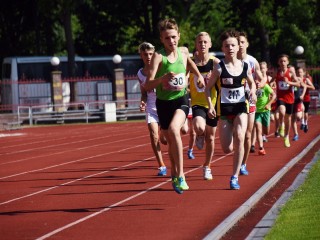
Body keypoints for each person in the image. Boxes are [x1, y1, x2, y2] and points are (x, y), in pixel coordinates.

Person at [145, 18, 205, 194]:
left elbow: (191, 65)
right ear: (161, 40)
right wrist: (161, 80)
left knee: (173, 130)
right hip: (163, 104)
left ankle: (181, 175)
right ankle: (175, 172)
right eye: (166, 38)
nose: (171, 41)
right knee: (170, 141)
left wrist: (199, 77)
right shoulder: (159, 57)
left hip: (181, 99)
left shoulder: (183, 54)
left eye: (173, 37)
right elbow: (147, 85)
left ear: (178, 36)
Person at [205, 29, 257, 190]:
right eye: (227, 46)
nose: (231, 48)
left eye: (233, 45)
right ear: (223, 48)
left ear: (237, 47)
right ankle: (235, 146)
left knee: (241, 137)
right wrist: (210, 105)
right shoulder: (219, 68)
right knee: (227, 148)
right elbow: (208, 88)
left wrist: (253, 92)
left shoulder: (245, 65)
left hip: (241, 107)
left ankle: (234, 177)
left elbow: (252, 82)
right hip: (224, 111)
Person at [189, 32, 220, 180]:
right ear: (196, 45)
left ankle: (207, 166)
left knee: (211, 138)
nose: (202, 45)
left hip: (213, 104)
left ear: (210, 44)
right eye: (200, 42)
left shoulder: (215, 63)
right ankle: (199, 134)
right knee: (200, 127)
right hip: (197, 103)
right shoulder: (190, 62)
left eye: (205, 42)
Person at [137, 42, 167, 176]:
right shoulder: (140, 73)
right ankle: (161, 165)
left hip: (165, 103)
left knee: (165, 138)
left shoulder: (161, 68)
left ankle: (164, 133)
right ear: (141, 56)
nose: (148, 57)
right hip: (151, 106)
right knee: (154, 135)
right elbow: (144, 92)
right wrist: (142, 102)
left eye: (150, 54)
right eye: (145, 54)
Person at [237, 31, 264, 175]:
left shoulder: (252, 61)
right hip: (233, 100)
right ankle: (237, 156)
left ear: (247, 44)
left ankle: (243, 164)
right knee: (238, 134)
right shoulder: (230, 60)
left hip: (249, 98)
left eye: (242, 42)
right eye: (238, 42)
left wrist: (260, 83)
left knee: (248, 134)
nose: (240, 45)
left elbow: (261, 77)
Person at [274, 55, 300, 147]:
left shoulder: (291, 72)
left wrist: (289, 82)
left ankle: (287, 136)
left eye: (285, 61)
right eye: (281, 61)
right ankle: (281, 125)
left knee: (288, 118)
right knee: (281, 110)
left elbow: (298, 84)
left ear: (288, 62)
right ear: (278, 63)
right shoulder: (276, 72)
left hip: (290, 99)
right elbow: (272, 80)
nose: (283, 63)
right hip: (281, 98)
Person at [254, 61, 276, 155]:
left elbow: (274, 95)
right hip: (256, 111)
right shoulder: (253, 86)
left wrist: (269, 104)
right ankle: (261, 148)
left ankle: (264, 135)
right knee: (258, 130)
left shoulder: (266, 86)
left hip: (266, 110)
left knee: (266, 131)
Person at [291, 67, 307, 141]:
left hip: (297, 100)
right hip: (290, 101)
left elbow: (305, 86)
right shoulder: (286, 78)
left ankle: (302, 120)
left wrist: (302, 95)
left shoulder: (298, 79)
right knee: (293, 119)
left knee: (298, 116)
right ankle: (296, 134)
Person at [300, 68, 315, 132]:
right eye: (298, 72)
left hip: (306, 98)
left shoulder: (306, 80)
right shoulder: (296, 79)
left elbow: (313, 87)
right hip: (299, 98)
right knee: (302, 109)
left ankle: (305, 123)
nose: (299, 73)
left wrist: (305, 85)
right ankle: (302, 122)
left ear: (304, 73)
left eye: (300, 72)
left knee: (305, 112)